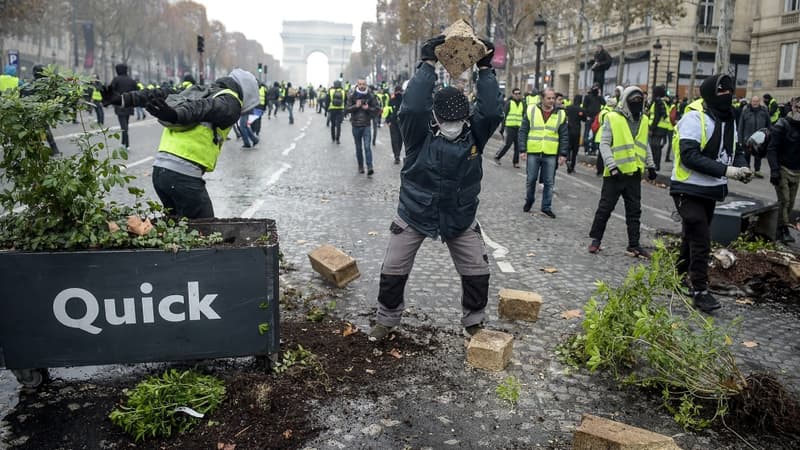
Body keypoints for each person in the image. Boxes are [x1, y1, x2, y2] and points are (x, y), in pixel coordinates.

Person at [368, 35, 502, 340]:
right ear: (436, 117)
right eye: (448, 121)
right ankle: (385, 321)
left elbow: (492, 112)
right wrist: (426, 64)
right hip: (415, 211)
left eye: (459, 121)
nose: (453, 126)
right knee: (393, 269)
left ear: (466, 117)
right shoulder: (417, 133)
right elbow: (412, 107)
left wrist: (486, 69)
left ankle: (474, 321)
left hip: (460, 214)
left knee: (477, 271)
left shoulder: (475, 134)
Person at [104, 69, 259, 219]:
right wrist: (176, 115)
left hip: (160, 171)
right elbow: (204, 108)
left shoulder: (201, 89)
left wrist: (122, 99)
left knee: (178, 230)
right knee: (204, 232)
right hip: (184, 175)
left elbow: (160, 93)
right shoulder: (231, 102)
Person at [670, 74, 752, 313]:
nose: (727, 97)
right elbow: (689, 155)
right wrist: (729, 171)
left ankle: (678, 276)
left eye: (730, 93)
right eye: (721, 93)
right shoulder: (694, 117)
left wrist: (742, 166)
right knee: (701, 238)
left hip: (711, 189)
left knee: (691, 235)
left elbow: (734, 149)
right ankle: (700, 290)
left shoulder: (729, 119)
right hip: (687, 187)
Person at [588, 86, 657, 256]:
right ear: (625, 101)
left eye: (640, 101)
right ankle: (596, 240)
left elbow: (644, 144)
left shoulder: (644, 120)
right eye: (633, 101)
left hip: (634, 174)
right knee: (605, 209)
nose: (636, 104)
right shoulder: (612, 117)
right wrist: (611, 166)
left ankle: (634, 245)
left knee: (634, 211)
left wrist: (651, 165)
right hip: (615, 174)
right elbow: (604, 144)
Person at [519, 87, 569, 218]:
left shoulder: (561, 114)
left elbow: (564, 135)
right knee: (531, 180)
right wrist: (522, 150)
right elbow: (523, 131)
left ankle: (546, 207)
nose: (552, 100)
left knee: (549, 182)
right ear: (542, 99)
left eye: (553, 98)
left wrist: (563, 154)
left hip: (550, 153)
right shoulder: (531, 110)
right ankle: (529, 200)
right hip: (533, 151)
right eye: (549, 98)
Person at [766, 97, 800, 243]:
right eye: (798, 107)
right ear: (792, 107)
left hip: (797, 171)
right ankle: (782, 230)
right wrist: (774, 170)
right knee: (784, 200)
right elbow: (772, 148)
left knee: (791, 202)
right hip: (783, 169)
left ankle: (781, 227)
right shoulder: (782, 124)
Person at [346, 79, 380, 175]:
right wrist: (355, 106)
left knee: (367, 147)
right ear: (357, 84)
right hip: (355, 125)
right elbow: (347, 109)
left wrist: (368, 108)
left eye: (363, 84)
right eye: (360, 84)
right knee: (358, 148)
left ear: (366, 85)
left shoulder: (371, 95)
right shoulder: (352, 95)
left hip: (366, 125)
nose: (361, 86)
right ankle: (360, 166)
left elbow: (377, 109)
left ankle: (370, 167)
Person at [738, 95, 770, 178]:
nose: (755, 103)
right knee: (746, 155)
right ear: (751, 102)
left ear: (759, 102)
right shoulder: (745, 111)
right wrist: (740, 140)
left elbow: (768, 125)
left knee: (758, 155)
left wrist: (768, 136)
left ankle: (757, 170)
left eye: (756, 101)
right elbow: (741, 126)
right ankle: (747, 170)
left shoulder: (764, 111)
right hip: (747, 138)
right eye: (753, 101)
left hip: (760, 138)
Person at [493, 87, 525, 168]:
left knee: (518, 146)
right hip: (510, 127)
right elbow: (504, 116)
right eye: (516, 94)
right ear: (513, 94)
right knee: (508, 144)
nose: (517, 95)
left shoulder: (523, 103)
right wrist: (502, 128)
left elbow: (524, 116)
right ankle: (497, 156)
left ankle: (516, 162)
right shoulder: (509, 103)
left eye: (519, 93)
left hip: (519, 127)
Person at [109, 64, 138, 148]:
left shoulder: (116, 80)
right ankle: (123, 142)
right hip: (129, 104)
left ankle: (127, 144)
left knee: (123, 126)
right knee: (126, 124)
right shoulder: (132, 80)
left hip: (120, 105)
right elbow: (136, 91)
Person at [648, 85, 672, 171]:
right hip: (663, 128)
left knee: (654, 147)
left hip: (657, 128)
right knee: (656, 147)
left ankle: (655, 165)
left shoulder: (657, 102)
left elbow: (656, 117)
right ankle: (655, 165)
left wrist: (651, 129)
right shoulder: (663, 102)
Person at [565, 94, 586, 173]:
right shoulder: (581, 110)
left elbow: (565, 116)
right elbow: (584, 119)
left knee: (568, 147)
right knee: (575, 149)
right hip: (577, 131)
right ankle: (572, 166)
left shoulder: (568, 108)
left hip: (569, 129)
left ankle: (568, 159)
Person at [582, 83, 605, 155]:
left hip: (596, 118)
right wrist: (586, 116)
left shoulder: (599, 97)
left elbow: (604, 103)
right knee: (587, 134)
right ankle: (587, 149)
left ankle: (593, 149)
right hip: (590, 118)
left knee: (595, 134)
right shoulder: (588, 97)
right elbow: (584, 107)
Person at [384, 84, 404, 164]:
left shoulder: (404, 100)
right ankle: (397, 155)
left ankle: (397, 153)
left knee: (400, 140)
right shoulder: (391, 100)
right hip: (393, 123)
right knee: (394, 139)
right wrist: (388, 120)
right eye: (397, 91)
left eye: (400, 91)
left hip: (402, 123)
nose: (398, 93)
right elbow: (387, 110)